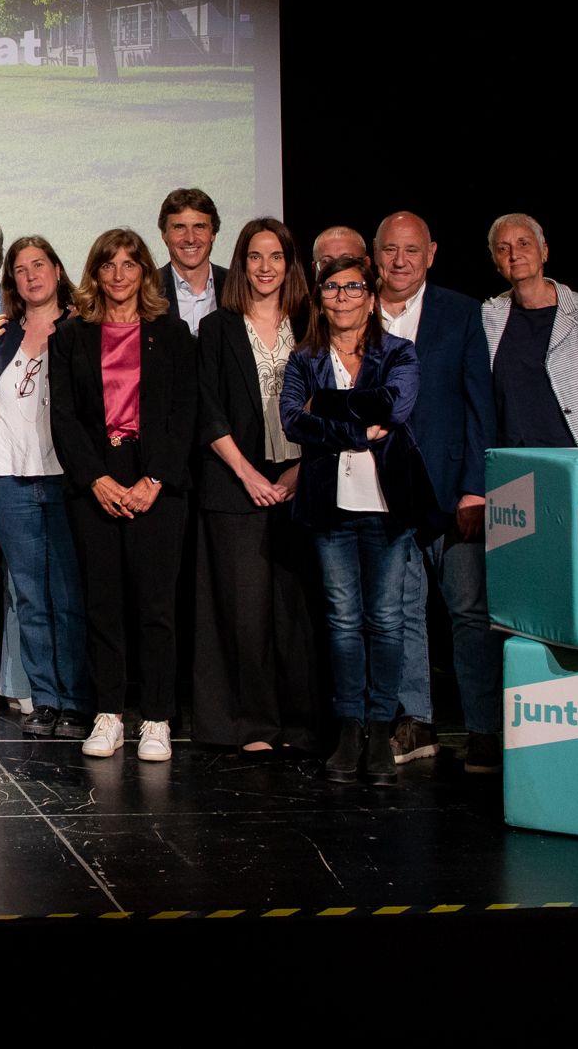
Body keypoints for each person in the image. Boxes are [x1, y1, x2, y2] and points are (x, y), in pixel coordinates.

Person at [283, 250, 435, 787]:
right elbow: (293, 421)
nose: (342, 297)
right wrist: (357, 430)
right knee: (343, 620)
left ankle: (380, 727)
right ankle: (349, 727)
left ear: (371, 300)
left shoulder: (398, 352)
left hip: (388, 508)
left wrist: (325, 408)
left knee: (387, 620)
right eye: (332, 288)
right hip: (331, 508)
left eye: (353, 288)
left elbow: (396, 407)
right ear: (320, 300)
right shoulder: (305, 358)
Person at [49, 228, 199, 761]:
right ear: (95, 272)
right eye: (108, 265)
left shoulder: (173, 334)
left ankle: (156, 718)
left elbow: (185, 413)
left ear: (144, 272)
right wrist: (96, 478)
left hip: (156, 479)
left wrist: (154, 479)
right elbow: (64, 416)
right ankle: (109, 714)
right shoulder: (70, 336)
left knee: (156, 606)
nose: (118, 275)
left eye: (130, 264)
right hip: (96, 479)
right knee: (103, 604)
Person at [187, 218, 322, 754]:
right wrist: (247, 473)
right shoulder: (217, 328)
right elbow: (207, 409)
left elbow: (328, 400)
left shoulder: (312, 322)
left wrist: (299, 470)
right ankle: (249, 724)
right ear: (241, 264)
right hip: (233, 481)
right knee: (242, 611)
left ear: (290, 265)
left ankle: (301, 725)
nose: (265, 267)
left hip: (303, 479)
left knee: (295, 611)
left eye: (276, 256)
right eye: (255, 257)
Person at [376, 211, 501, 772]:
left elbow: (481, 406)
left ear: (431, 254)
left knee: (469, 611)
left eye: (411, 250)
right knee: (402, 612)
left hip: (454, 496)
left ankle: (483, 729)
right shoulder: (356, 310)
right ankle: (417, 722)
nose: (400, 261)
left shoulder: (462, 313)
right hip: (385, 494)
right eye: (390, 250)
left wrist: (476, 488)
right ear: (375, 256)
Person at [0, 235, 88, 740]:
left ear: (58, 270)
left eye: (39, 265)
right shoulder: (1, 337)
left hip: (67, 478)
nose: (31, 276)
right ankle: (45, 699)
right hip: (7, 478)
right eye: (20, 270)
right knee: (29, 596)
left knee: (68, 595)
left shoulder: (83, 329)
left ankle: (76, 700)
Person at [482, 212, 578, 450]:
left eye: (524, 243)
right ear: (495, 262)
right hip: (512, 458)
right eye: (503, 248)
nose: (514, 255)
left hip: (577, 456)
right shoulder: (488, 316)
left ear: (544, 251)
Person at [156, 187, 222, 336]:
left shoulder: (237, 286)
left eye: (199, 227)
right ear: (164, 234)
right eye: (179, 227)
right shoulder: (147, 289)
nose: (190, 239)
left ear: (213, 233)